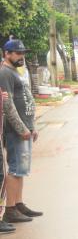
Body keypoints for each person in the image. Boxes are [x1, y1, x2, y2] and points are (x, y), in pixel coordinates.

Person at [0, 40, 42, 226]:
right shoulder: (4, 73)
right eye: (17, 53)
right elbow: (8, 106)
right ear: (7, 53)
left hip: (25, 128)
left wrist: (31, 125)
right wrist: (21, 128)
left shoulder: (15, 72)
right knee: (15, 169)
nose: (21, 56)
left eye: (23, 52)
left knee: (21, 169)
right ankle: (10, 209)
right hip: (15, 130)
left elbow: (25, 100)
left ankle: (18, 204)